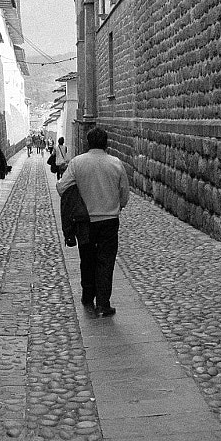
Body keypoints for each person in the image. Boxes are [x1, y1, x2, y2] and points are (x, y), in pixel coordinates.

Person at [56, 127, 129, 317]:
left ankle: (88, 296)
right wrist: (118, 205)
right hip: (109, 221)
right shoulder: (116, 163)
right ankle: (103, 304)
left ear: (89, 143)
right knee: (106, 261)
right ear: (106, 143)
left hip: (84, 222)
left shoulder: (77, 163)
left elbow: (62, 187)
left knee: (87, 258)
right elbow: (124, 194)